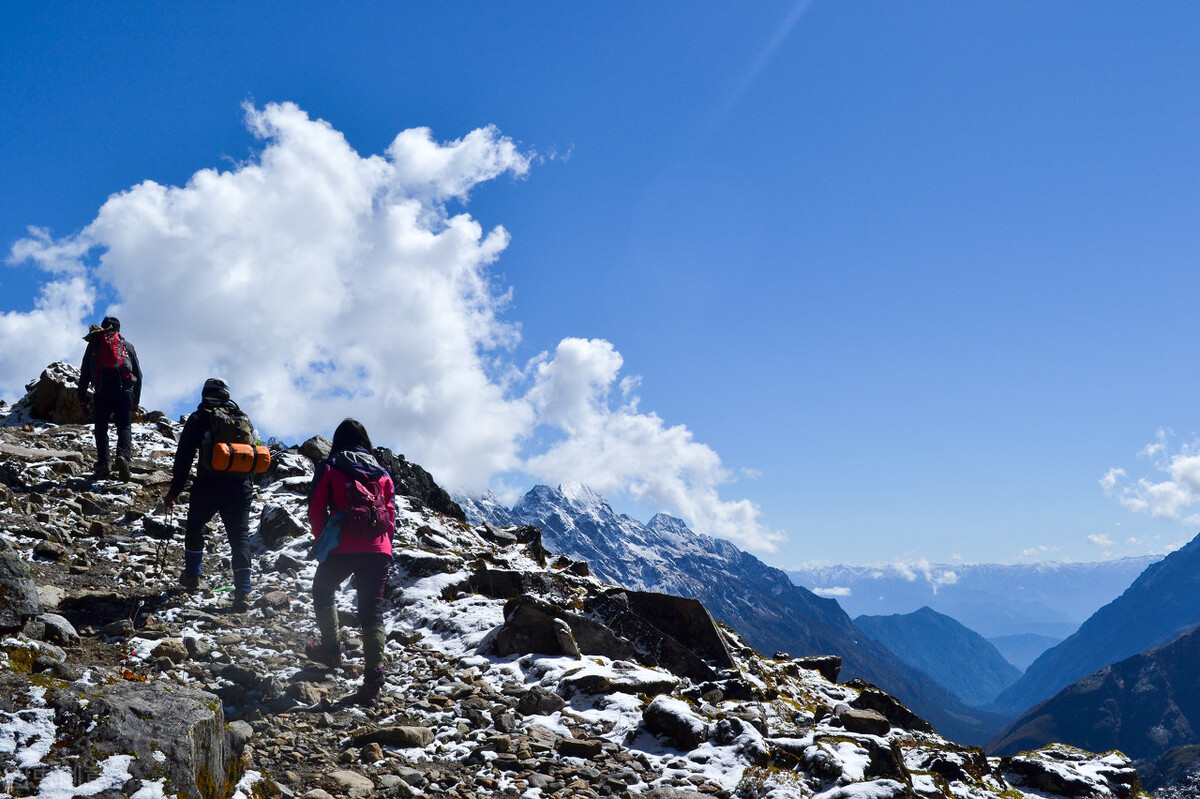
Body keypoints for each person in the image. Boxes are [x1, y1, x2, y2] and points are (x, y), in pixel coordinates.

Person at [306, 418, 397, 705]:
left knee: (322, 589)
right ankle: (373, 680)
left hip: (342, 547)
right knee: (372, 611)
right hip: (379, 549)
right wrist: (383, 543)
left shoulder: (331, 466)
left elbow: (316, 508)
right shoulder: (381, 471)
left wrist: (325, 540)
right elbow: (391, 513)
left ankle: (331, 651)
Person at [164, 378, 255, 613]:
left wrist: (175, 491)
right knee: (240, 537)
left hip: (209, 484)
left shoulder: (199, 418)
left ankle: (192, 576)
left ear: (205, 394)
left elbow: (183, 458)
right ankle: (243, 591)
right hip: (240, 486)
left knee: (195, 526)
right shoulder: (242, 419)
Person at [77, 316, 142, 480]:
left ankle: (104, 463)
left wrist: (82, 396)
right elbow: (139, 375)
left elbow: (85, 371)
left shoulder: (94, 344)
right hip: (124, 392)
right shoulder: (127, 346)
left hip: (102, 391)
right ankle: (123, 458)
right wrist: (136, 401)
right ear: (118, 329)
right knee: (124, 427)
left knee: (101, 428)